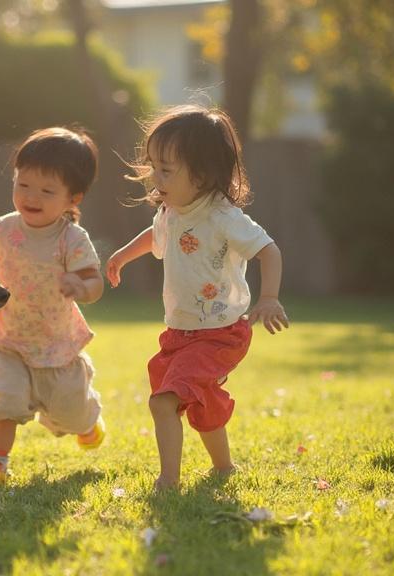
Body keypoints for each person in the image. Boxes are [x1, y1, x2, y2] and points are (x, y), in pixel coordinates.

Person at [105, 104, 289, 491]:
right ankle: (224, 468)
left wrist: (269, 297)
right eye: (153, 167)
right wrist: (122, 255)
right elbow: (155, 237)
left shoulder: (222, 217)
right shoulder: (170, 212)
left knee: (163, 402)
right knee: (203, 404)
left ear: (202, 175)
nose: (155, 178)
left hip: (220, 334)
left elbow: (268, 250)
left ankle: (168, 482)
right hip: (180, 332)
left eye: (166, 170)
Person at [0, 126, 106, 483]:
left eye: (47, 191)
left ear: (72, 198)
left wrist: (81, 286)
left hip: (56, 347)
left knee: (70, 414)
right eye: (23, 184)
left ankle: (87, 421)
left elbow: (95, 283)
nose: (32, 196)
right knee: (6, 400)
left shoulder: (71, 238)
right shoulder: (3, 229)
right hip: (10, 342)